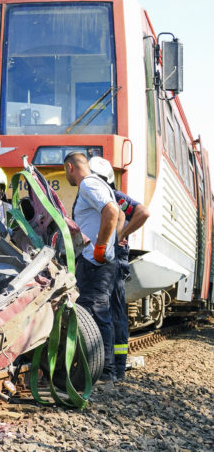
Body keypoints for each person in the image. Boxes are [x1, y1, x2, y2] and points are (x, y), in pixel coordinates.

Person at [89, 156, 150, 380]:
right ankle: (114, 366)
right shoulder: (108, 197)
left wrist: (122, 234)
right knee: (112, 311)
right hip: (107, 255)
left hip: (112, 257)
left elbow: (143, 212)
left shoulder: (113, 197)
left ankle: (116, 367)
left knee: (112, 311)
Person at [63, 151, 119, 383]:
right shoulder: (99, 184)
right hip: (97, 261)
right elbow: (120, 214)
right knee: (98, 312)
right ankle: (105, 370)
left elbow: (112, 211)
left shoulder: (87, 185)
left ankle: (105, 372)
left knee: (95, 313)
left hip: (95, 262)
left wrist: (101, 246)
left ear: (69, 167)